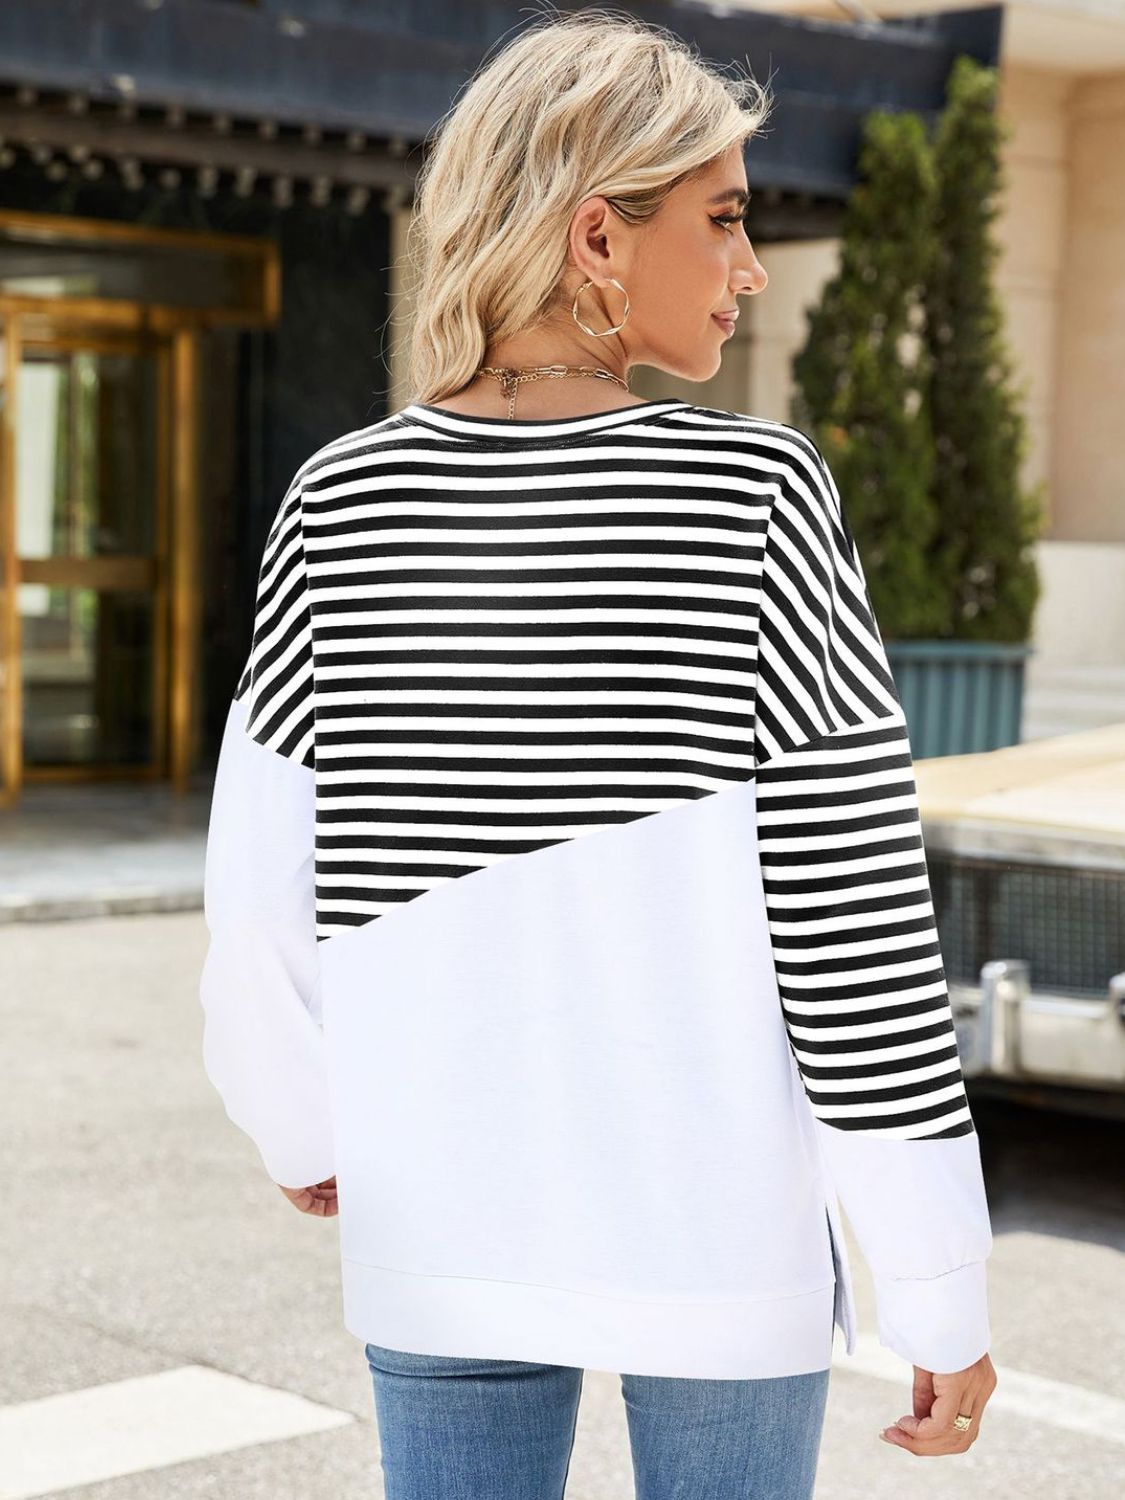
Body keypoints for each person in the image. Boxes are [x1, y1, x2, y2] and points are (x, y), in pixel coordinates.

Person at [198, 8, 998, 1496]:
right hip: (715, 1242)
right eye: (723, 218)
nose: (750, 267)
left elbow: (256, 901)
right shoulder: (754, 496)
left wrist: (303, 1126)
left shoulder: (342, 500)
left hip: (440, 1224)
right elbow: (853, 924)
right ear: (596, 238)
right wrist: (936, 1281)